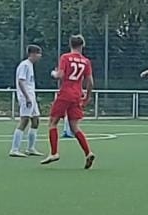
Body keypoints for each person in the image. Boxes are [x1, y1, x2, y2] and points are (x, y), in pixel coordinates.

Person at [42, 35, 96, 169]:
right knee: (74, 126)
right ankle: (88, 153)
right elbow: (90, 82)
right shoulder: (86, 61)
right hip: (77, 95)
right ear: (82, 45)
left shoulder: (65, 57)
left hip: (65, 93)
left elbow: (60, 75)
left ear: (70, 44)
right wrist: (87, 97)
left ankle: (54, 153)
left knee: (53, 122)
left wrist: (53, 73)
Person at [10, 45, 43, 157]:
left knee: (35, 120)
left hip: (31, 96)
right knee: (24, 121)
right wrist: (27, 97)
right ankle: (14, 149)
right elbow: (21, 81)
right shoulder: (24, 65)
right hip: (26, 97)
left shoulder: (30, 65)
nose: (40, 56)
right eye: (38, 53)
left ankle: (30, 148)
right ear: (32, 54)